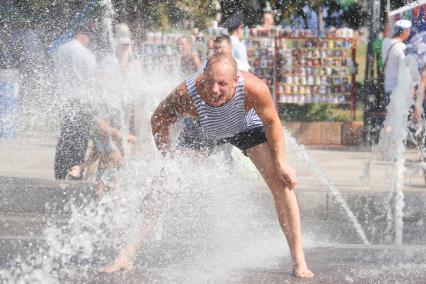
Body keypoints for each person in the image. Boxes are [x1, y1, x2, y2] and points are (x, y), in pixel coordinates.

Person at [103, 54, 314, 278]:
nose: (214, 90)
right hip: (202, 128)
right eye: (209, 82)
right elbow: (158, 119)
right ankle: (125, 255)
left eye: (222, 84)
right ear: (203, 78)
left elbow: (272, 122)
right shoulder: (187, 94)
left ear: (236, 81)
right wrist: (168, 159)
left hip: (244, 127)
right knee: (162, 186)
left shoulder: (254, 89)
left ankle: (299, 259)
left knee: (281, 183)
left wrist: (282, 163)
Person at [53, 25, 97, 180]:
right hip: (81, 101)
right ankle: (75, 171)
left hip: (64, 100)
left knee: (65, 137)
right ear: (84, 36)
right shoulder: (87, 54)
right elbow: (93, 80)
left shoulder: (60, 50)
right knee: (80, 139)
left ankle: (59, 171)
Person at [381, 19, 412, 108]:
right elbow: (404, 70)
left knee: (390, 116)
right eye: (408, 31)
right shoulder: (402, 47)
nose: (409, 34)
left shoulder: (385, 42)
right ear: (403, 32)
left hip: (387, 86)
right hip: (398, 88)